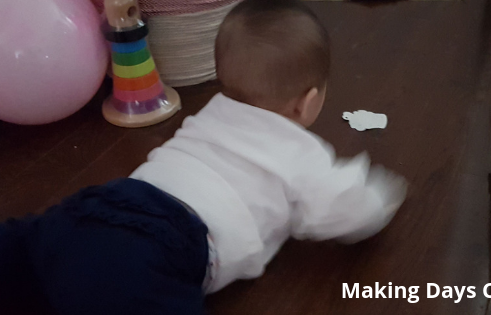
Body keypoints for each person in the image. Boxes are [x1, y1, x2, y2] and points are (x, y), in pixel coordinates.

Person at [0, 0, 407, 314]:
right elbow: (345, 208)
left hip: (98, 206)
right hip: (161, 247)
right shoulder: (302, 154)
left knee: (28, 252)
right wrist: (381, 195)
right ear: (309, 102)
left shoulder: (212, 112)